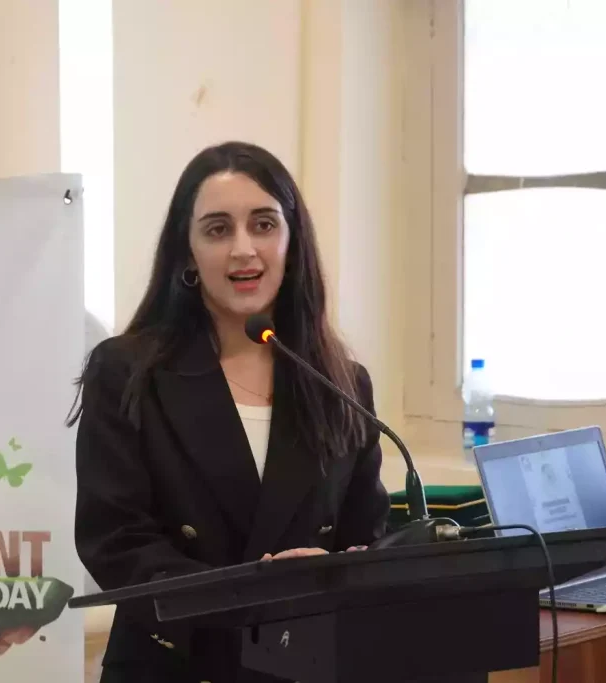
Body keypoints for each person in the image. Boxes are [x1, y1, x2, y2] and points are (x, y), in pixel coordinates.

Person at [69, 141, 391, 683]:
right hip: (177, 665)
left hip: (303, 665)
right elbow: (116, 541)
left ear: (292, 241)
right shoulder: (125, 371)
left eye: (263, 224)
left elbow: (368, 532)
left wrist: (343, 571)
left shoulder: (342, 382)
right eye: (218, 230)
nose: (244, 249)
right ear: (187, 253)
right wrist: (246, 596)